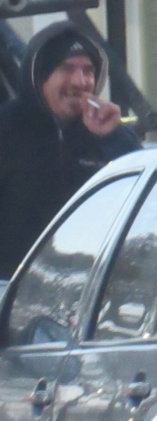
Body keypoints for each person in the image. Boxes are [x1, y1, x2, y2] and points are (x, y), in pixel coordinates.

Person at [0, 22, 141, 278]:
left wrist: (114, 136)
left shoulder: (106, 132)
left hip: (90, 288)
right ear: (39, 77)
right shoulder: (7, 129)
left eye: (88, 70)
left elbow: (143, 195)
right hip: (13, 288)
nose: (81, 81)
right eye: (67, 69)